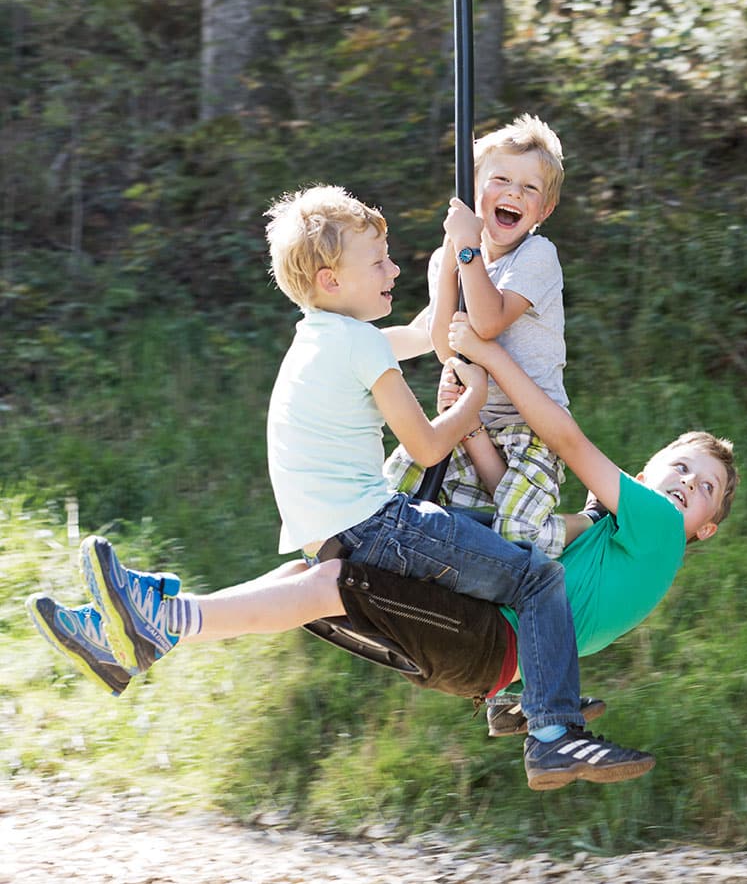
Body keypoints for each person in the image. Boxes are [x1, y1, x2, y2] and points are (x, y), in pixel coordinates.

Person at [24, 183, 654, 791]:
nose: (392, 269)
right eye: (378, 262)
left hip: (326, 530)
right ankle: (553, 733)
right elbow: (429, 445)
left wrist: (455, 257)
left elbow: (431, 335)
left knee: (312, 589)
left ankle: (127, 627)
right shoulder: (360, 346)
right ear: (332, 280)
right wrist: (476, 401)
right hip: (379, 525)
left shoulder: (323, 336)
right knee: (536, 575)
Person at [29, 326, 739, 760]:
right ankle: (135, 634)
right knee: (315, 573)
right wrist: (473, 419)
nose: (685, 484)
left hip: (487, 641)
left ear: (704, 528)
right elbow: (510, 506)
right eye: (678, 467)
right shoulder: (615, 531)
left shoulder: (654, 531)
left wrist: (491, 357)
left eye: (703, 488)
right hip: (479, 650)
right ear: (647, 470)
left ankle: (159, 621)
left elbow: (565, 438)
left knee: (330, 583)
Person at [385, 113, 573, 559]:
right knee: (392, 496)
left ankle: (579, 526)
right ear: (472, 194)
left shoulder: (537, 255)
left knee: (515, 536)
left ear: (544, 210)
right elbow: (443, 341)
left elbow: (486, 324)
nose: (513, 193)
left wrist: (466, 249)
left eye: (529, 188)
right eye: (501, 180)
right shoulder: (448, 258)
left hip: (531, 432)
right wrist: (347, 343)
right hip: (468, 423)